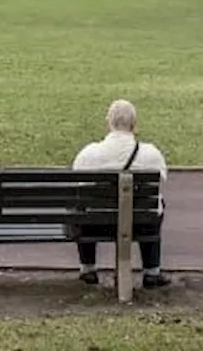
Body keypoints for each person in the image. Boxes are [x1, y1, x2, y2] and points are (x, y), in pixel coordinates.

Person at [71, 99, 171, 289]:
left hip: (97, 224)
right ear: (134, 124)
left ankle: (88, 268)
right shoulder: (151, 154)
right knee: (156, 206)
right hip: (140, 224)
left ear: (108, 123)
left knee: (81, 208)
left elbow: (79, 183)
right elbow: (161, 181)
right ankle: (152, 271)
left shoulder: (89, 154)